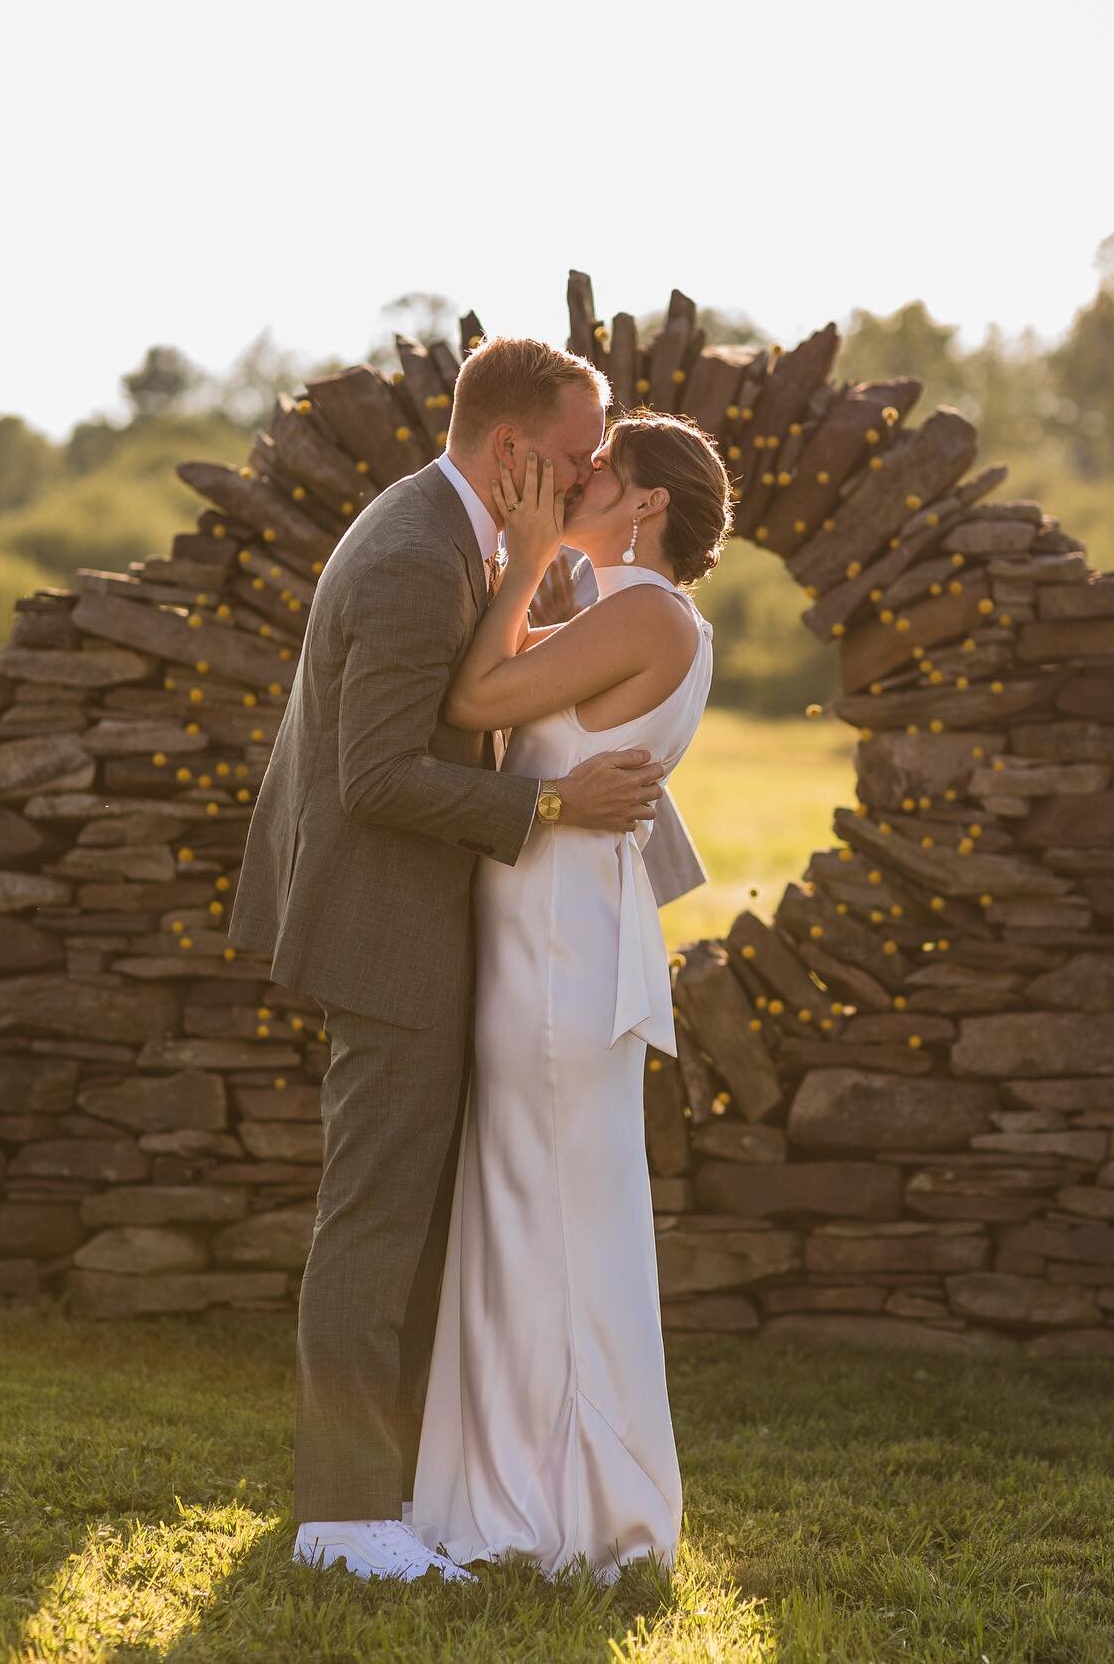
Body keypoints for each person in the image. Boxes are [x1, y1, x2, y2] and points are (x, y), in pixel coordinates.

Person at [226, 336, 704, 1583]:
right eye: (573, 452)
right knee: (376, 1220)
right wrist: (550, 812)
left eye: (604, 460)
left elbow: (556, 690)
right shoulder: (409, 555)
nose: (589, 468)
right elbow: (378, 773)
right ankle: (340, 1518)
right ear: (511, 450)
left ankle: (427, 1495)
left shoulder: (476, 541)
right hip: (386, 927)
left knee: (438, 1223)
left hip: (468, 932)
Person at [410, 408, 730, 1582]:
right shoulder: (618, 615)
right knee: (526, 1210)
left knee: (552, 1216)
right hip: (542, 931)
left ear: (647, 504)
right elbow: (506, 686)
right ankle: (515, 1490)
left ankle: (575, 1514)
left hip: (559, 946)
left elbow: (476, 698)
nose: (578, 476)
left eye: (602, 470)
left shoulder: (645, 609)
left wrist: (531, 554)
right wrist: (532, 573)